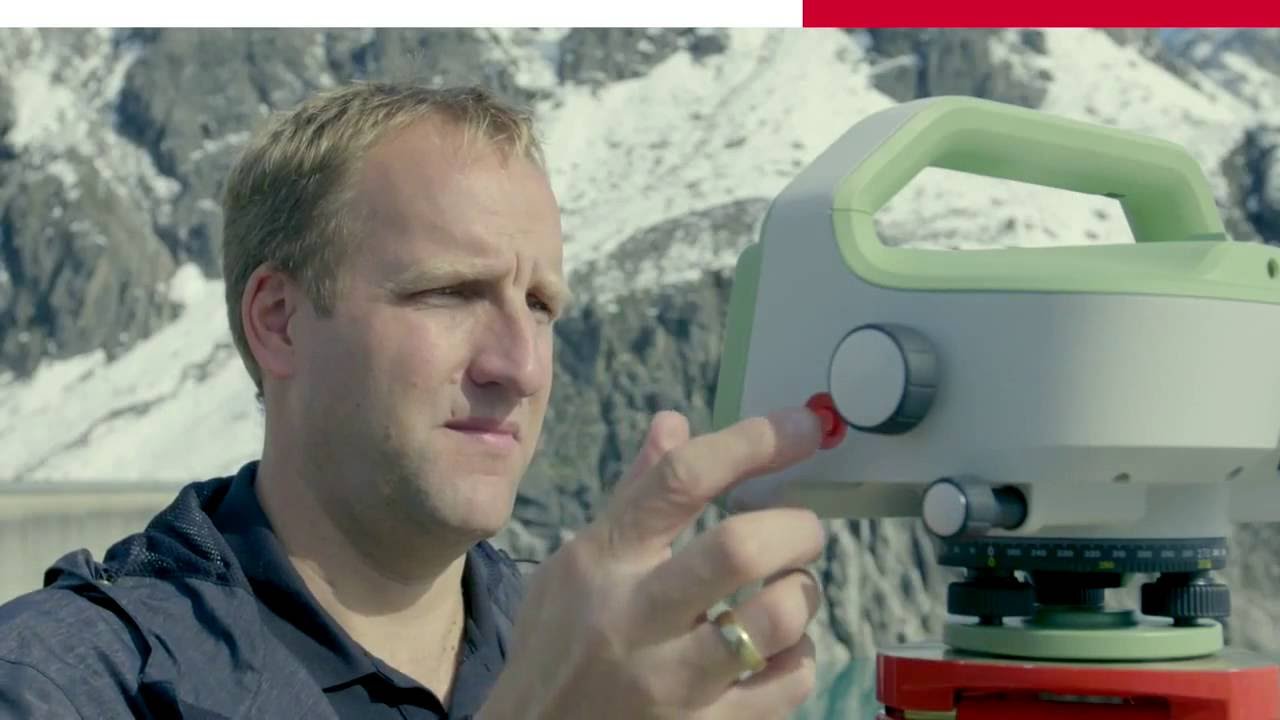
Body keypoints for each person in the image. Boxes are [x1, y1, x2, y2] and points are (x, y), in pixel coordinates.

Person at [0, 82, 827, 719]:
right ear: (279, 321)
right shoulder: (62, 682)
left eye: (540, 305)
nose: (520, 367)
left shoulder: (596, 653)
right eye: (449, 292)